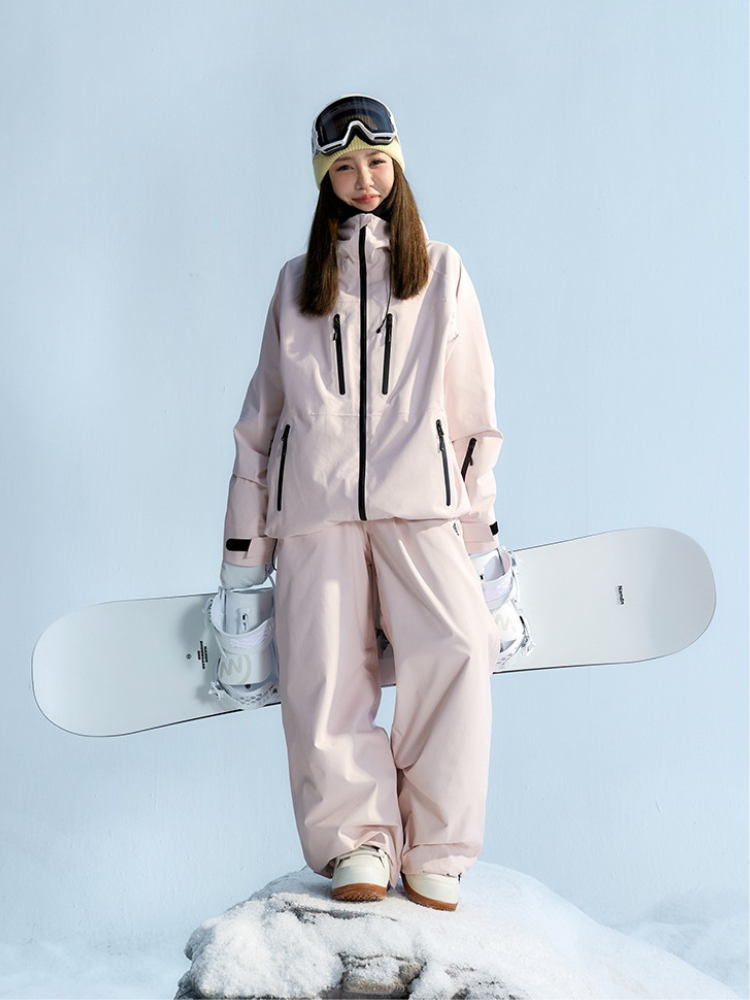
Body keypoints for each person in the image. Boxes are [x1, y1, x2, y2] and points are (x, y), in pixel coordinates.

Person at [220, 95, 505, 912]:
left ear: (397, 166)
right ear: (324, 179)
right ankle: (356, 843)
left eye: (377, 161)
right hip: (315, 514)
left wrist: (482, 541)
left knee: (458, 652)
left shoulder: (442, 270)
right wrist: (243, 559)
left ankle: (437, 847)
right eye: (344, 167)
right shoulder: (295, 284)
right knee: (323, 677)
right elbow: (261, 419)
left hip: (422, 507)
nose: (364, 179)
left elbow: (473, 415)